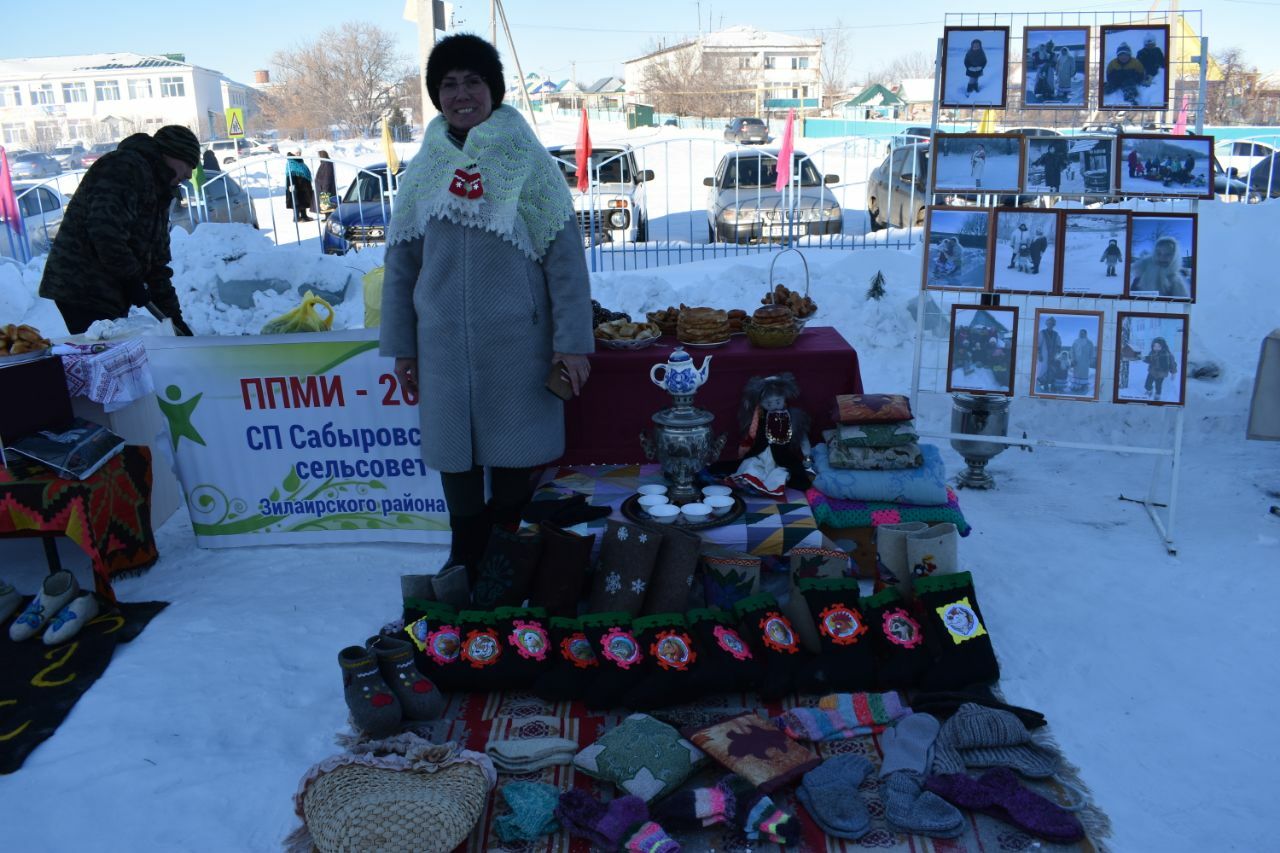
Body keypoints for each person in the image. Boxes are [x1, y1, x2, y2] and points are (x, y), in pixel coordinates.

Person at [379, 33, 594, 580]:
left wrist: (572, 342)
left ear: (493, 89)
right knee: (455, 458)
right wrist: (402, 348)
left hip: (517, 342)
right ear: (437, 96)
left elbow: (565, 260)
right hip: (441, 345)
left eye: (473, 81)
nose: (461, 94)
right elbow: (401, 265)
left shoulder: (530, 163)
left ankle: (504, 555)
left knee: (514, 455)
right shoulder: (423, 169)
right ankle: (464, 555)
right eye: (449, 84)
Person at [38, 125, 198, 335]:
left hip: (109, 289)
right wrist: (132, 279)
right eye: (188, 164)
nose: (189, 174)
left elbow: (156, 264)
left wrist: (175, 321)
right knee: (104, 348)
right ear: (170, 153)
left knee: (113, 346)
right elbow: (105, 232)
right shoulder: (124, 167)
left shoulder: (159, 189)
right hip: (82, 284)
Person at [727, 373, 812, 498]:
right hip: (761, 452)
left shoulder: (793, 417)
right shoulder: (759, 417)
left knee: (780, 472)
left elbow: (802, 437)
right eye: (768, 403)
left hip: (782, 455)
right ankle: (749, 482)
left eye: (777, 401)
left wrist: (807, 456)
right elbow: (751, 434)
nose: (773, 405)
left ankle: (767, 486)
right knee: (751, 464)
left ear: (784, 398)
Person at [285, 153, 315, 222]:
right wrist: (291, 184)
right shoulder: (291, 162)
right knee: (296, 201)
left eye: (299, 153)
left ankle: (304, 216)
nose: (298, 154)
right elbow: (290, 174)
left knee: (303, 200)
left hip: (303, 185)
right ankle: (296, 217)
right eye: (297, 153)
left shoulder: (300, 161)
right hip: (295, 184)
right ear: (293, 153)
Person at [1037, 316, 1063, 391]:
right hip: (1044, 354)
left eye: (1052, 323)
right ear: (1046, 324)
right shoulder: (1042, 332)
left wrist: (1058, 351)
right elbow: (1038, 344)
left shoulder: (1056, 334)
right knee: (1044, 369)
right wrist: (1039, 354)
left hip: (1053, 355)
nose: (1050, 325)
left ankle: (1052, 385)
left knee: (1052, 369)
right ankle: (1044, 385)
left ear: (1053, 325)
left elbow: (1059, 343)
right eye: (1049, 323)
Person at [314, 150, 337, 215]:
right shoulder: (325, 163)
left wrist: (325, 190)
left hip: (325, 188)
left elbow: (327, 177)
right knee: (325, 205)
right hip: (324, 187)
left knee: (327, 206)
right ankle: (326, 217)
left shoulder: (326, 164)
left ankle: (327, 217)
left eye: (319, 156)